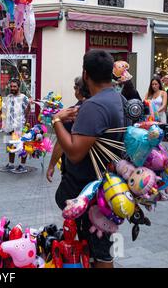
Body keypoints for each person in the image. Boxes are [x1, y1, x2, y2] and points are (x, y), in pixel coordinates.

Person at [51, 50, 128, 268]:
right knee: (98, 251)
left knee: (99, 253)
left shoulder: (93, 106)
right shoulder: (117, 97)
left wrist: (56, 120)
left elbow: (75, 153)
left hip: (89, 192)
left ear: (85, 74)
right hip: (107, 187)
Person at [47, 76, 90, 182]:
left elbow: (61, 143)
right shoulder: (97, 106)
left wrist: (51, 165)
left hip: (75, 168)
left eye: (75, 88)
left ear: (79, 90)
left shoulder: (72, 112)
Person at [0, 79, 32, 174]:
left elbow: (28, 111)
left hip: (19, 126)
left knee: (22, 146)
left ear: (19, 87)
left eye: (14, 86)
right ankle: (11, 164)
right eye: (11, 86)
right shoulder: (8, 97)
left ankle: (22, 165)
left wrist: (24, 122)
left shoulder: (23, 97)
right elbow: (4, 109)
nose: (12, 88)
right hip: (9, 126)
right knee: (10, 145)